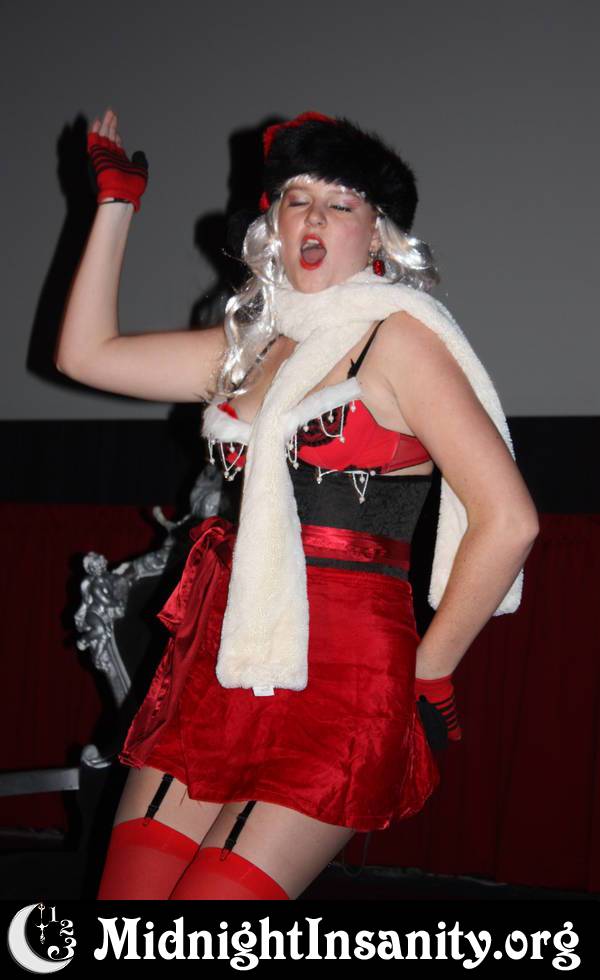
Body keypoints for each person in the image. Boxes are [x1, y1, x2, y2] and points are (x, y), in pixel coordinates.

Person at [56, 107, 539, 901]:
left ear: (377, 234)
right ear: (271, 223)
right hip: (227, 655)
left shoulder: (398, 340)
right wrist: (115, 204)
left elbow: (509, 520)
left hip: (345, 674)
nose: (313, 217)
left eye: (340, 203)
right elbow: (86, 356)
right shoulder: (250, 346)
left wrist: (429, 672)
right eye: (297, 199)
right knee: (128, 911)